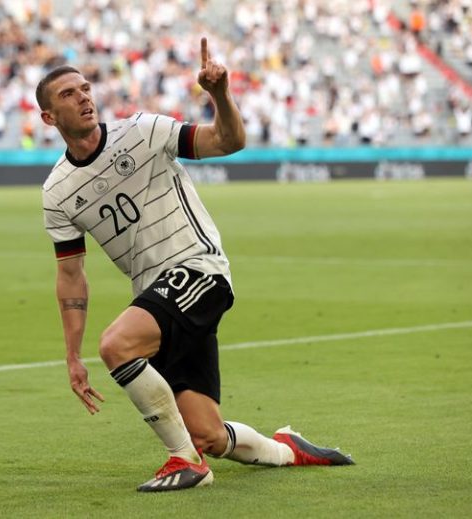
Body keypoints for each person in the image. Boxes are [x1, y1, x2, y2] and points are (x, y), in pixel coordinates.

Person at [39, 37, 353, 493]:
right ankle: (288, 448)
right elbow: (71, 275)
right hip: (157, 297)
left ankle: (185, 462)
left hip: (199, 269)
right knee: (209, 434)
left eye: (85, 88)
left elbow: (228, 141)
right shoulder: (58, 192)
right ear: (49, 117)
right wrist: (71, 356)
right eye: (68, 94)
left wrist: (219, 93)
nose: (83, 97)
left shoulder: (142, 130)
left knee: (117, 345)